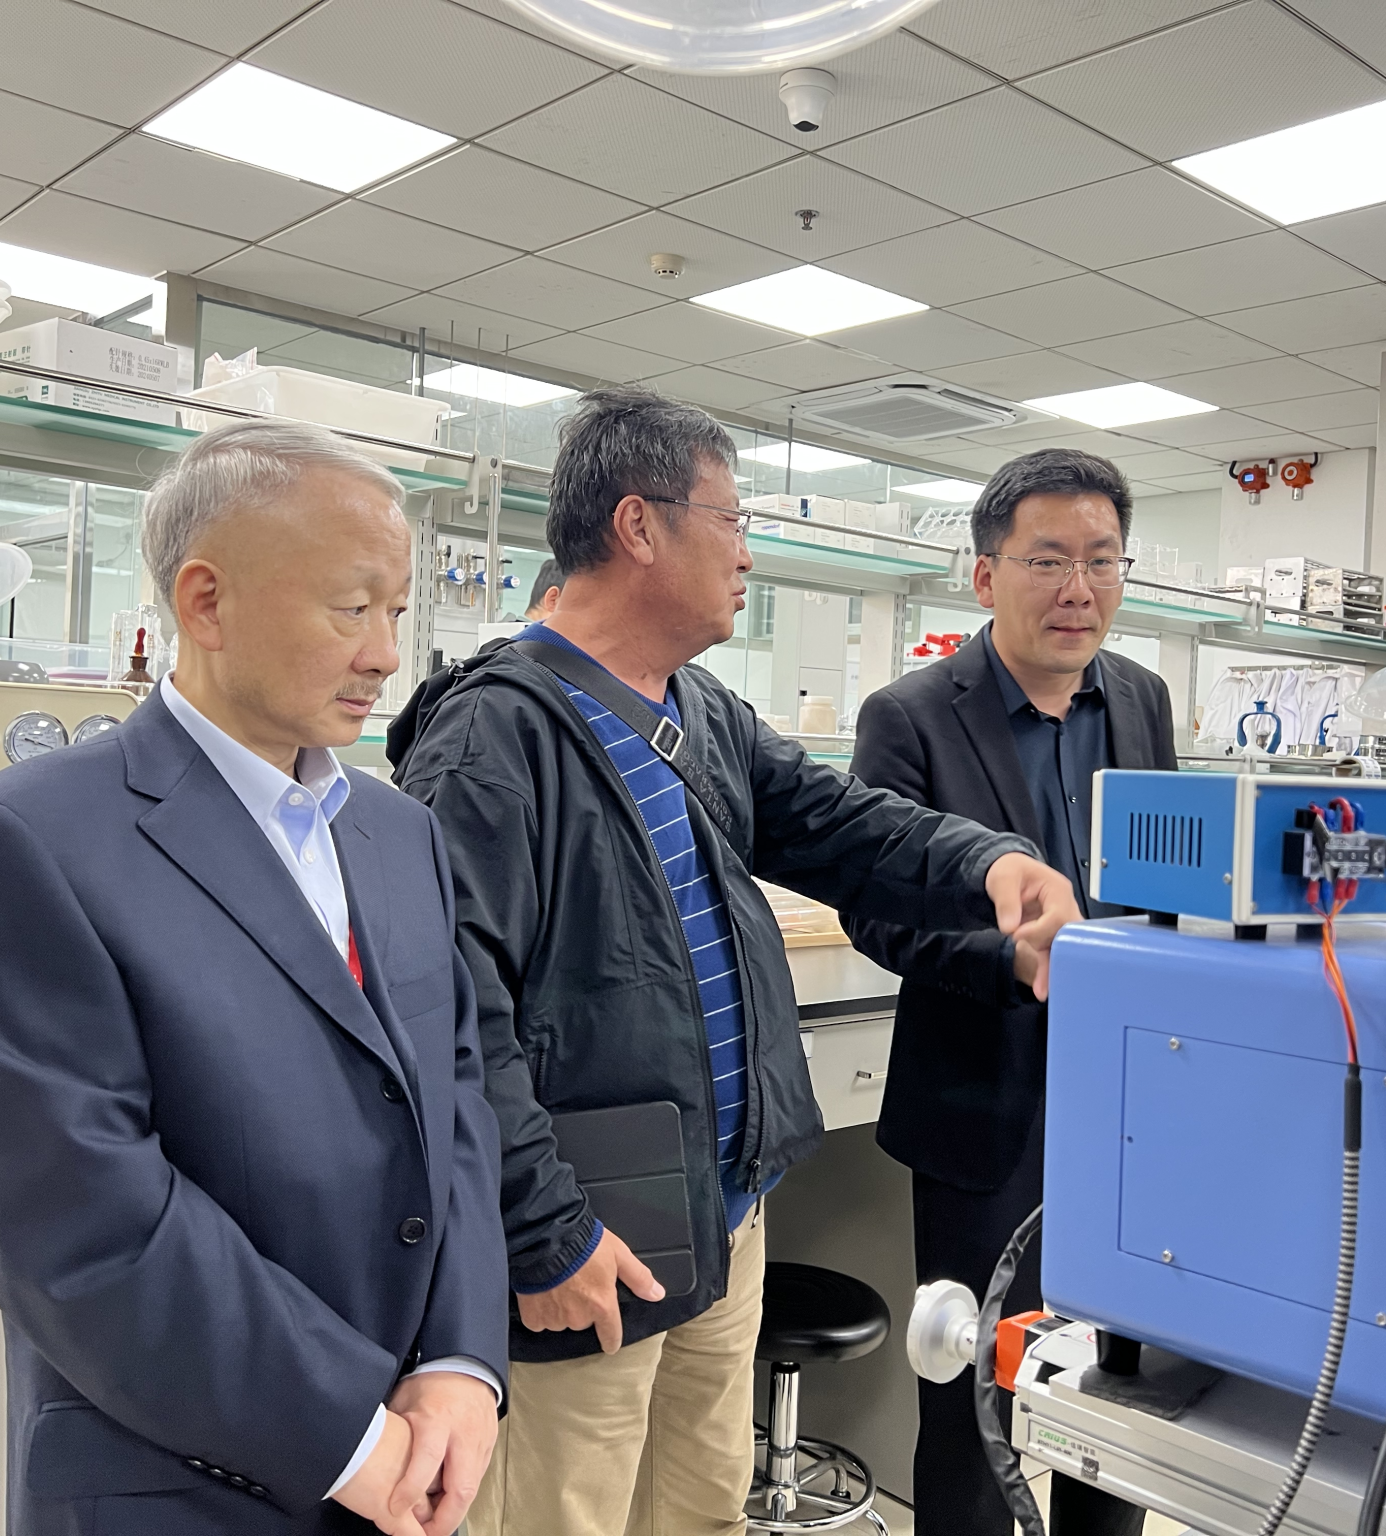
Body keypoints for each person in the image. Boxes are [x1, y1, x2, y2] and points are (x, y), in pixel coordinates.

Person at [391, 386, 1080, 1536]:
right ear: (638, 524)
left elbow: (839, 824)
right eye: (732, 520)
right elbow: (454, 1019)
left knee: (701, 1509)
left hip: (721, 1225)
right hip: (588, 1242)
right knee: (567, 1515)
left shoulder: (698, 712)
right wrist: (540, 1231)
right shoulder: (492, 739)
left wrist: (987, 862)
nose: (746, 553)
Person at [0, 420, 507, 1536]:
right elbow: (80, 1224)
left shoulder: (398, 835)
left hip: (415, 1451)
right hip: (182, 1479)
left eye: (398, 611)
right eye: (352, 607)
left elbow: (455, 1100)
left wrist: (461, 1361)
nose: (386, 654)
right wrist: (349, 1436)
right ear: (206, 602)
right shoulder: (23, 842)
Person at [844, 448, 1176, 1536]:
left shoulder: (1141, 700)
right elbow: (877, 914)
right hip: (982, 1107)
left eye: (1101, 559)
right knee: (976, 1393)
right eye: (1048, 559)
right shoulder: (909, 716)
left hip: (1126, 1109)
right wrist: (1012, 963)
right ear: (986, 575)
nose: (1078, 588)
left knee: (1122, 1389)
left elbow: (1166, 886)